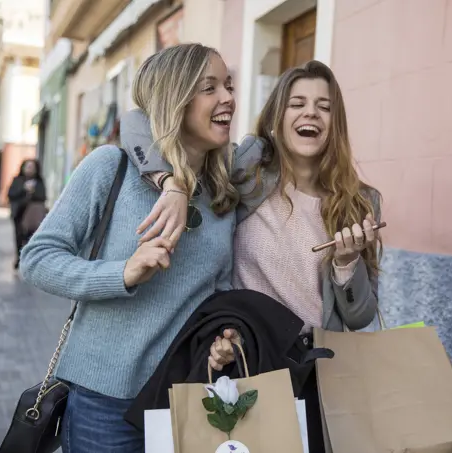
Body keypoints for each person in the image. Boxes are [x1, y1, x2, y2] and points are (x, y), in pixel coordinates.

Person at [122, 60, 383, 452]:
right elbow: (134, 122)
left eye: (324, 107)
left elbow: (360, 316)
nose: (310, 112)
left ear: (335, 123)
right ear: (277, 115)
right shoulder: (245, 170)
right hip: (243, 363)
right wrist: (173, 185)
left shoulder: (360, 202)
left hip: (312, 375)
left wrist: (347, 264)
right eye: (297, 103)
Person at [20, 43, 266, 453]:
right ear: (175, 99)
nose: (228, 98)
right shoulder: (109, 167)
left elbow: (218, 290)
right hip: (105, 401)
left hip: (186, 396)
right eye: (210, 88)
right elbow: (38, 258)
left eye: (228, 85)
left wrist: (227, 332)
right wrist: (122, 274)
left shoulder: (221, 191)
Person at [8, 159, 46, 269]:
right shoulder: (18, 180)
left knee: (31, 237)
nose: (29, 169)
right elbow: (11, 194)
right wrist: (23, 189)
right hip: (19, 213)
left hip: (33, 216)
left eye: (32, 167)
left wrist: (33, 192)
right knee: (18, 236)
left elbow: (42, 197)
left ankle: (29, 259)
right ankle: (19, 257)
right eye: (28, 167)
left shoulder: (39, 181)